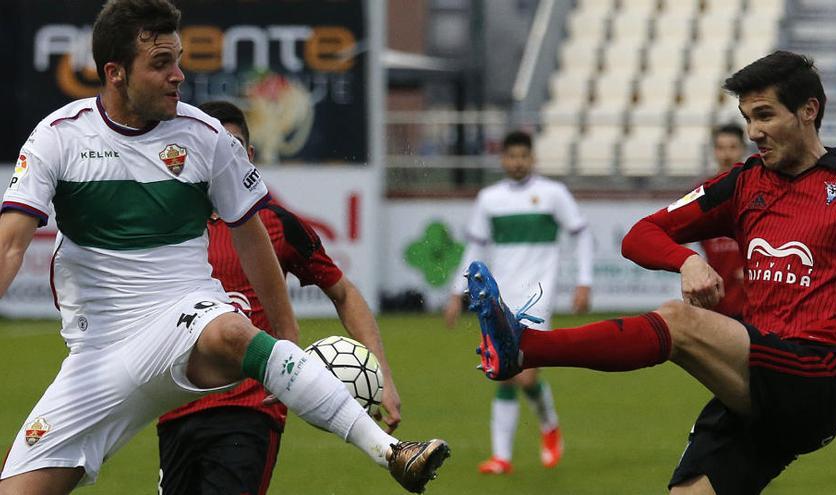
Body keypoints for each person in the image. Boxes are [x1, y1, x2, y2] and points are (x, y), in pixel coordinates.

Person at [0, 2, 448, 494]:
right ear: (115, 73)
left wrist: (284, 334)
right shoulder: (58, 137)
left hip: (180, 316)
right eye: (161, 64)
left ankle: (390, 452)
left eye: (179, 60)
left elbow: (252, 237)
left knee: (232, 331)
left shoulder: (207, 137)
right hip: (96, 353)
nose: (179, 76)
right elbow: (10, 247)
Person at [466, 51, 836, 494]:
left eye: (764, 116)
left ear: (809, 110)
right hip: (756, 384)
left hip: (818, 375)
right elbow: (639, 235)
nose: (753, 132)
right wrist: (687, 260)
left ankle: (525, 348)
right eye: (747, 118)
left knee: (678, 322)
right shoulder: (744, 183)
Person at [155, 100, 403, 494]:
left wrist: (383, 375)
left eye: (232, 146)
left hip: (249, 412)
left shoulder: (275, 224)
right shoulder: (169, 229)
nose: (221, 156)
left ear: (248, 156)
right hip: (175, 410)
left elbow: (342, 292)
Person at [444, 130, 593, 474]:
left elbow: (581, 234)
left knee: (524, 376)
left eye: (523, 156)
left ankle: (549, 425)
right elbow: (475, 248)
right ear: (503, 159)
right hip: (498, 297)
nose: (517, 162)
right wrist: (456, 292)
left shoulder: (553, 194)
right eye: (511, 156)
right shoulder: (489, 199)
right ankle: (502, 457)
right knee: (502, 372)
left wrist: (584, 281)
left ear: (532, 159)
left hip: (536, 297)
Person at [698, 124, 748, 318]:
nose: (726, 154)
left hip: (751, 295)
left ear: (742, 149)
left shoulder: (758, 188)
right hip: (714, 293)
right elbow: (678, 237)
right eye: (720, 147)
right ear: (713, 151)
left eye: (732, 147)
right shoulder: (701, 193)